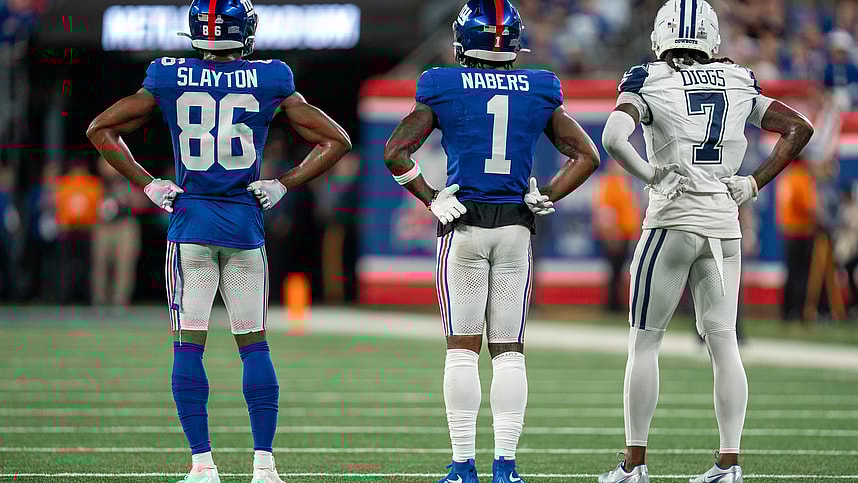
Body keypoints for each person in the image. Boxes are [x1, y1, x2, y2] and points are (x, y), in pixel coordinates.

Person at [85, 1, 352, 482]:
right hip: (245, 225)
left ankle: (203, 464)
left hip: (191, 224)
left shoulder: (168, 75)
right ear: (246, 31)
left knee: (189, 347)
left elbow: (99, 129)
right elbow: (336, 140)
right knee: (255, 347)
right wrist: (284, 183)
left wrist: (146, 182)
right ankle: (264, 466)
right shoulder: (271, 77)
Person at [384, 2, 600, 482]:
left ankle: (464, 464)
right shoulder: (540, 86)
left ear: (465, 41)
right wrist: (547, 194)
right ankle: (506, 467)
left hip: (463, 225)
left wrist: (429, 197)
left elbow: (395, 151)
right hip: (516, 229)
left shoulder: (442, 83)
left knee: (463, 349)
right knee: (509, 350)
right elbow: (586, 155)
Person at [599, 1, 813, 482]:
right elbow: (800, 128)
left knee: (645, 343)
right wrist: (753, 182)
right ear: (713, 39)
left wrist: (652, 174)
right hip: (724, 225)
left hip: (673, 221)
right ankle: (728, 464)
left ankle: (634, 465)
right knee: (725, 345)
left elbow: (614, 138)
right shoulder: (739, 79)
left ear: (661, 36)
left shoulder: (647, 77)